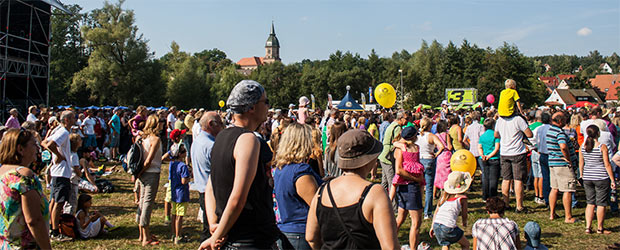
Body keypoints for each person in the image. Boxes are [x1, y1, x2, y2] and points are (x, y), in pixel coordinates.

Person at [200, 80, 279, 249]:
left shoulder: (221, 137)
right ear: (251, 107)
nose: (268, 106)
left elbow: (210, 187)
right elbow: (238, 198)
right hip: (249, 239)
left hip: (231, 234)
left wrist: (215, 225)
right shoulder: (248, 140)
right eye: (265, 102)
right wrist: (217, 235)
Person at [305, 129, 399, 249]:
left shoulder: (322, 191)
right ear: (368, 159)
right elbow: (390, 247)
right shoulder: (375, 193)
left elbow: (310, 237)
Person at [273, 123, 322, 249]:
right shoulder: (301, 171)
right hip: (301, 232)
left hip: (285, 229)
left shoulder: (280, 168)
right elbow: (317, 204)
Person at [0, 129, 51, 249]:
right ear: (20, 149)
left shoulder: (2, 172)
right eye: (34, 144)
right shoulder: (23, 175)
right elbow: (34, 220)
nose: (38, 149)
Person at [42, 110, 75, 242]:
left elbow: (44, 142)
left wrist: (55, 154)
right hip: (62, 172)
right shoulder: (64, 132)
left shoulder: (58, 130)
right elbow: (49, 144)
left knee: (54, 201)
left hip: (57, 171)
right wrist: (59, 155)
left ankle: (51, 226)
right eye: (72, 118)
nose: (75, 119)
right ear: (66, 120)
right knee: (59, 203)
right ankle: (55, 232)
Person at [390, 127, 425, 248]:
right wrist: (417, 179)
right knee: (416, 222)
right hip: (412, 187)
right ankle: (413, 247)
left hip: (402, 186)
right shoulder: (413, 148)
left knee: (401, 217)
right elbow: (399, 170)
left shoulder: (400, 148)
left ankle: (388, 242)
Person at [191, 111, 223, 241]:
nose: (222, 127)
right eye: (220, 124)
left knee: (207, 226)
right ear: (211, 124)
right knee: (213, 230)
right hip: (212, 193)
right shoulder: (211, 146)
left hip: (202, 189)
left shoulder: (198, 141)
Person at [579, 125, 616, 234]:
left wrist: (581, 174)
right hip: (601, 177)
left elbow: (581, 162)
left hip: (587, 176)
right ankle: (600, 228)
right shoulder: (602, 147)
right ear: (598, 133)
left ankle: (588, 227)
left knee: (590, 202)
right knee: (601, 203)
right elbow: (607, 164)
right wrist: (612, 179)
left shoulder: (583, 147)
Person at [495, 111, 533, 213]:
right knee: (518, 179)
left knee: (506, 179)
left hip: (504, 152)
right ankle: (519, 206)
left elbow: (496, 134)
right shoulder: (518, 120)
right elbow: (529, 134)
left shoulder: (499, 120)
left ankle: (506, 203)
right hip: (517, 152)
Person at [136, 114, 164, 246]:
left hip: (143, 173)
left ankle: (142, 234)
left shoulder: (143, 138)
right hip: (151, 172)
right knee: (147, 203)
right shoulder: (155, 139)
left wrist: (138, 173)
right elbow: (148, 160)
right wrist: (141, 171)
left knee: (142, 202)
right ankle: (146, 237)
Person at [546, 112, 577, 223]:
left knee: (554, 188)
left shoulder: (549, 131)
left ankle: (552, 213)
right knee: (567, 189)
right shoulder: (559, 132)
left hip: (553, 163)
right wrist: (568, 158)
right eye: (564, 120)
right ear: (560, 122)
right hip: (562, 164)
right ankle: (568, 216)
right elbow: (563, 146)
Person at [430, 171, 472, 250]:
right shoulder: (462, 199)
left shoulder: (444, 197)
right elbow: (464, 214)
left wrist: (432, 226)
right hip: (448, 226)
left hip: (437, 225)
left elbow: (436, 212)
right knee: (466, 244)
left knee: (446, 244)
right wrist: (464, 222)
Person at [417, 117, 445, 219]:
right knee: (428, 188)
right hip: (429, 160)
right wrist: (436, 154)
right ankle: (427, 212)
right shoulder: (431, 136)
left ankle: (417, 209)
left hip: (419, 160)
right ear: (429, 126)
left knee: (419, 187)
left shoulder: (417, 136)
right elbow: (441, 146)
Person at [379, 111, 408, 192]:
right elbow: (396, 142)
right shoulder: (397, 127)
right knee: (392, 182)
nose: (407, 121)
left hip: (384, 155)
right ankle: (393, 204)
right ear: (401, 119)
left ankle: (382, 199)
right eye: (406, 119)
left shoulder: (392, 125)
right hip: (388, 157)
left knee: (384, 182)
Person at [168, 143, 191, 244]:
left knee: (173, 214)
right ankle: (179, 236)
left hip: (174, 193)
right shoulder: (183, 166)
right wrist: (189, 176)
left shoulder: (172, 164)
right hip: (182, 193)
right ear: (181, 154)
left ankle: (174, 234)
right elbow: (184, 181)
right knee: (179, 216)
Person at [478, 118, 501, 199]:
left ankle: (485, 195)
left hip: (483, 158)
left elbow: (480, 147)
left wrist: (483, 155)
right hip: (494, 158)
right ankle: (493, 196)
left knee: (485, 177)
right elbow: (497, 148)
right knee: (493, 178)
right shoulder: (496, 135)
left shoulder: (482, 136)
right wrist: (490, 156)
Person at [435, 120, 453, 191]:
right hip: (446, 155)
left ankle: (435, 192)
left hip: (439, 155)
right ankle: (446, 189)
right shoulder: (446, 135)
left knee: (438, 174)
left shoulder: (436, 135)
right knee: (447, 174)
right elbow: (449, 147)